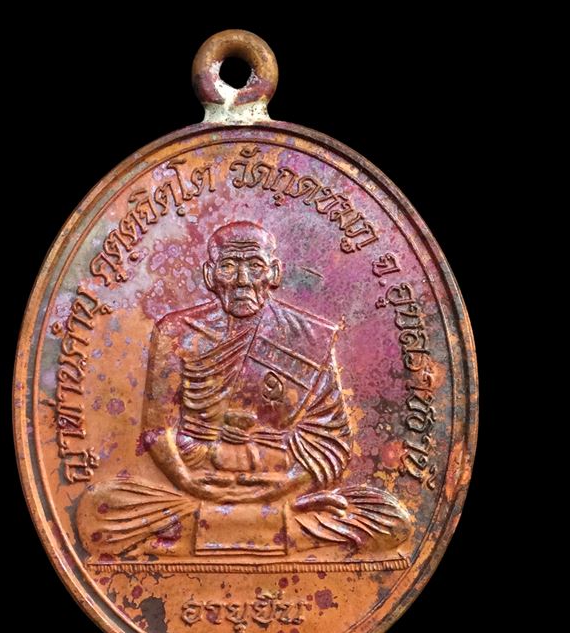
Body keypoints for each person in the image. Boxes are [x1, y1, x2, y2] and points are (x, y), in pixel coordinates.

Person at [77, 222, 409, 557]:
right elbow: (157, 431)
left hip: (278, 481)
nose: (242, 280)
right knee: (99, 511)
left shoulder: (310, 337)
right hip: (196, 479)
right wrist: (190, 483)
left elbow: (331, 442)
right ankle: (274, 531)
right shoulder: (176, 332)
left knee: (391, 522)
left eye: (255, 266)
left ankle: (199, 532)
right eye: (228, 266)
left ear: (274, 273)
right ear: (210, 275)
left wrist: (275, 489)